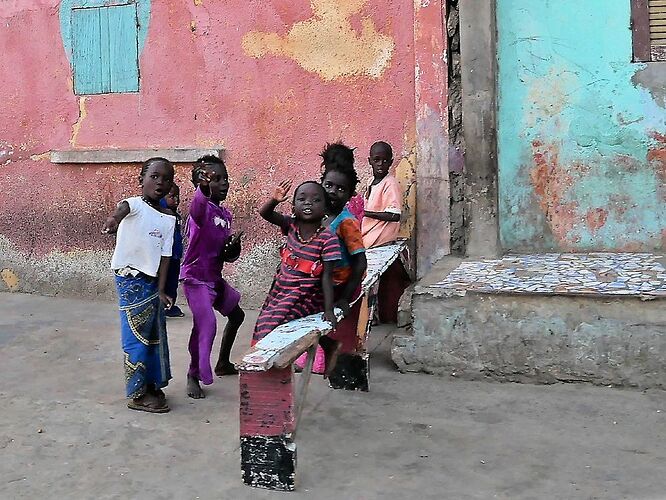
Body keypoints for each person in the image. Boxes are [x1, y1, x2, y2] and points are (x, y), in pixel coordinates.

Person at [102, 157, 176, 413]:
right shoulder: (134, 205)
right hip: (130, 280)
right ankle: (136, 393)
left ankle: (152, 384)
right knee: (136, 337)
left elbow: (166, 258)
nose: (160, 182)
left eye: (166, 179)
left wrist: (162, 289)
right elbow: (120, 211)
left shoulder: (168, 218)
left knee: (155, 336)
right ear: (141, 179)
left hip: (153, 282)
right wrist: (113, 220)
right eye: (154, 176)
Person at [254, 179, 342, 377]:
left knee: (272, 326)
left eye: (316, 200)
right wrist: (274, 200)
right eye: (302, 199)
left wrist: (328, 310)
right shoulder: (291, 225)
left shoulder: (328, 238)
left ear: (326, 208)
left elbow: (327, 276)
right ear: (293, 206)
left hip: (307, 295)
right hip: (281, 290)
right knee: (263, 323)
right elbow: (265, 213)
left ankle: (276, 373)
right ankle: (326, 347)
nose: (308, 203)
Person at [296, 143, 368, 374]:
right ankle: (312, 353)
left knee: (320, 318)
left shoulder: (346, 222)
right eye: (328, 185)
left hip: (340, 286)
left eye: (340, 189)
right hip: (324, 280)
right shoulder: (320, 215)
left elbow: (360, 261)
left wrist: (346, 296)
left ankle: (318, 360)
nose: (332, 192)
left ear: (350, 193)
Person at [180, 156, 245, 399]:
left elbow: (226, 254)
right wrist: (203, 190)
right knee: (205, 324)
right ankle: (193, 374)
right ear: (202, 184)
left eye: (225, 178)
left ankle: (223, 363)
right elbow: (197, 205)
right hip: (196, 280)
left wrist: (233, 248)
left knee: (237, 315)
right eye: (215, 180)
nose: (223, 184)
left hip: (214, 279)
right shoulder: (200, 210)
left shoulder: (224, 214)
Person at [361, 141, 402, 248]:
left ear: (391, 162)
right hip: (369, 233)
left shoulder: (390, 183)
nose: (380, 164)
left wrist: (365, 213)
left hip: (380, 237)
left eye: (385, 161)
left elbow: (395, 215)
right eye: (376, 160)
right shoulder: (370, 181)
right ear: (370, 161)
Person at [160, 183, 185, 317]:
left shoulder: (176, 216)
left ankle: (170, 307)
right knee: (161, 282)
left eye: (177, 196)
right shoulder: (160, 214)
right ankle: (159, 307)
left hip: (174, 256)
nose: (176, 200)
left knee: (172, 283)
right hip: (163, 257)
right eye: (171, 196)